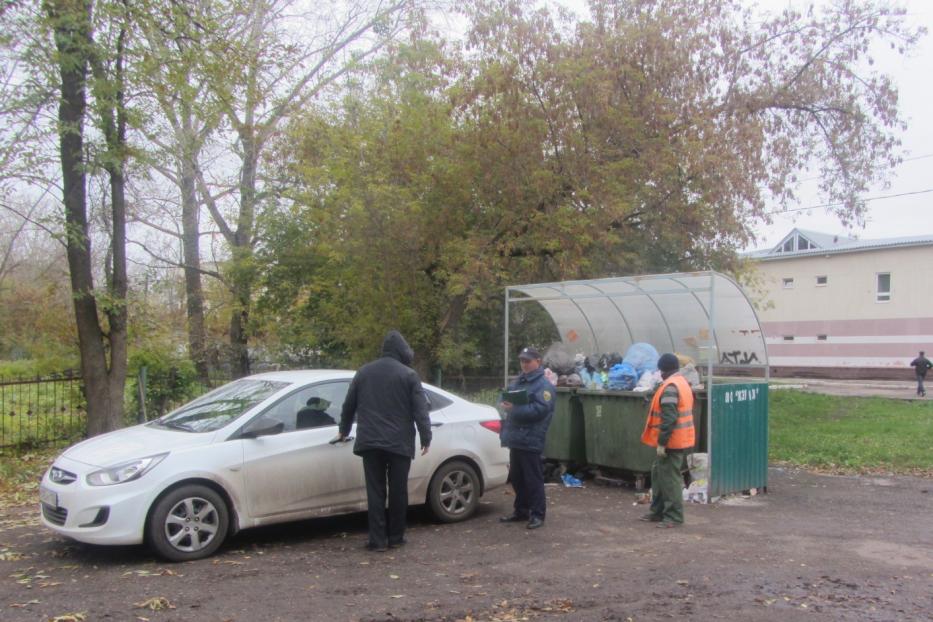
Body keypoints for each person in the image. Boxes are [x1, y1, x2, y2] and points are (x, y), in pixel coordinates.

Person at [335, 330, 431, 552]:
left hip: (370, 442)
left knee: (375, 491)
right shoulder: (408, 375)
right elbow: (420, 411)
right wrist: (426, 436)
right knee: (398, 491)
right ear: (403, 351)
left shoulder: (364, 372)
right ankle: (396, 537)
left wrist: (343, 430)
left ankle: (377, 540)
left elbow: (349, 405)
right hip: (399, 443)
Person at [498, 346, 556, 530]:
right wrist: (503, 401)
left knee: (533, 479)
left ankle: (537, 514)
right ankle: (521, 510)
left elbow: (540, 411)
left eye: (528, 361)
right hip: (516, 436)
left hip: (531, 438)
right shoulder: (519, 381)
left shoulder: (544, 386)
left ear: (538, 361)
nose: (524, 364)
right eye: (522, 361)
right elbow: (506, 394)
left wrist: (513, 409)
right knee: (517, 477)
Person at [639, 353, 696, 528]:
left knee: (670, 479)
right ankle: (657, 511)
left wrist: (662, 443)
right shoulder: (681, 383)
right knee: (658, 475)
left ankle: (673, 517)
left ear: (663, 370)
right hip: (676, 439)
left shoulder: (671, 387)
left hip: (671, 442)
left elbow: (669, 418)